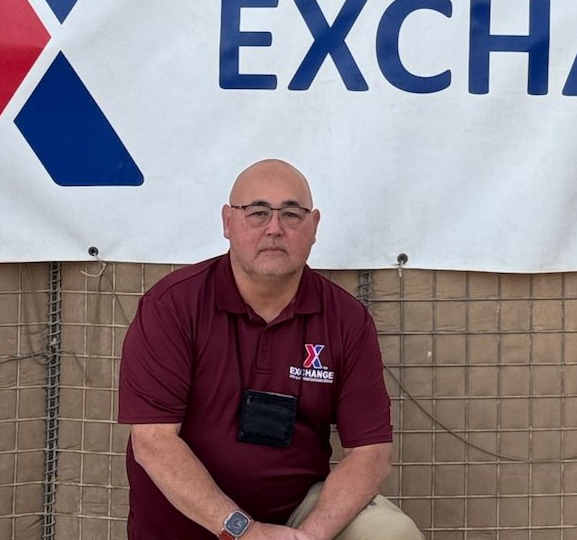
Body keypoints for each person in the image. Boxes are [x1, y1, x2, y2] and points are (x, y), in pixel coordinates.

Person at [118, 159, 422, 540]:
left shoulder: (347, 319)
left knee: (390, 534)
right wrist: (244, 531)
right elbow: (153, 442)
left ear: (314, 228)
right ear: (228, 222)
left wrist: (310, 535)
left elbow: (370, 455)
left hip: (298, 518)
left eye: (292, 214)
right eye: (258, 212)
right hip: (191, 522)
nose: (275, 228)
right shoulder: (172, 305)